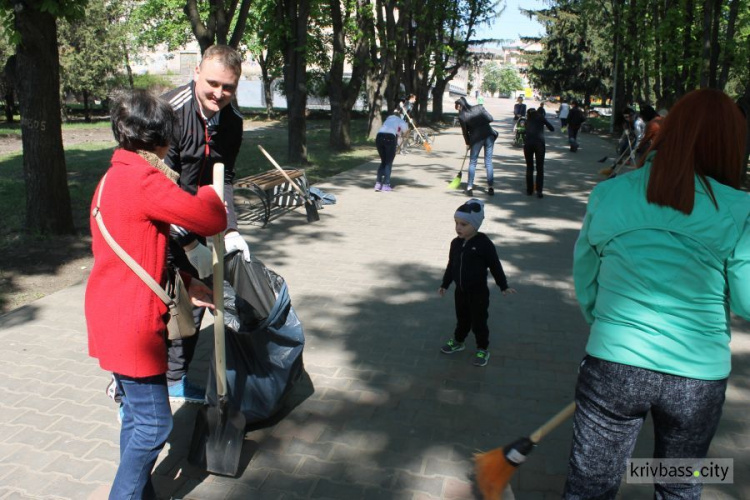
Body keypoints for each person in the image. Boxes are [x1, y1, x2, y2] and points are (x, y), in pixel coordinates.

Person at [563, 88, 749, 498]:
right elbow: (746, 301)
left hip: (613, 362)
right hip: (698, 376)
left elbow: (585, 277)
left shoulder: (610, 193)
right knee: (680, 484)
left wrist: (606, 326)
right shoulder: (740, 210)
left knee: (589, 486)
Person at [86, 90, 227, 499]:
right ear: (165, 138)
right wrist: (210, 188)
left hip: (110, 313)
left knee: (135, 418)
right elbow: (211, 216)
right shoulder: (145, 179)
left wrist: (185, 279)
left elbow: (142, 246)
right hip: (132, 326)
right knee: (155, 426)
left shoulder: (114, 174)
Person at [160, 45, 251, 403]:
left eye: (228, 87)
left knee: (196, 303)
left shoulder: (232, 120)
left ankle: (176, 379)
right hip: (163, 224)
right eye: (212, 83)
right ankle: (126, 388)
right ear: (196, 71)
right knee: (160, 306)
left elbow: (224, 175)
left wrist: (230, 228)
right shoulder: (169, 113)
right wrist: (185, 243)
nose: (219, 94)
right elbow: (160, 185)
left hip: (199, 222)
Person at [438, 199, 516, 367]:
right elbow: (451, 265)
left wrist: (503, 285)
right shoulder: (455, 243)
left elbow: (495, 265)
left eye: (464, 224)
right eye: (456, 223)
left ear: (475, 225)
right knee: (462, 318)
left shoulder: (484, 244)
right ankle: (459, 341)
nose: (458, 227)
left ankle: (482, 348)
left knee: (479, 320)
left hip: (478, 293)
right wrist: (445, 284)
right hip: (460, 291)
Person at [455, 97, 499, 197]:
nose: (457, 109)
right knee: (488, 162)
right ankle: (491, 187)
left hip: (476, 139)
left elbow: (465, 132)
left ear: (461, 105)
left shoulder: (462, 116)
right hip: (489, 135)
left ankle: (469, 187)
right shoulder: (479, 108)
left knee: (473, 162)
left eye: (458, 106)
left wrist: (468, 143)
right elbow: (490, 118)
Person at [523, 108, 554, 198]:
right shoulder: (541, 118)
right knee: (540, 168)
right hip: (539, 144)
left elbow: (525, 131)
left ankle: (529, 190)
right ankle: (539, 191)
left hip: (528, 144)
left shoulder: (527, 120)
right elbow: (552, 128)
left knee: (529, 167)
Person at [374, 110, 408, 192]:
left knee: (383, 161)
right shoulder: (400, 120)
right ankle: (386, 184)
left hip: (379, 137)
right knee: (388, 162)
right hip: (390, 138)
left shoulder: (387, 120)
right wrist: (406, 136)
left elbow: (397, 131)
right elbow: (406, 131)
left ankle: (378, 183)